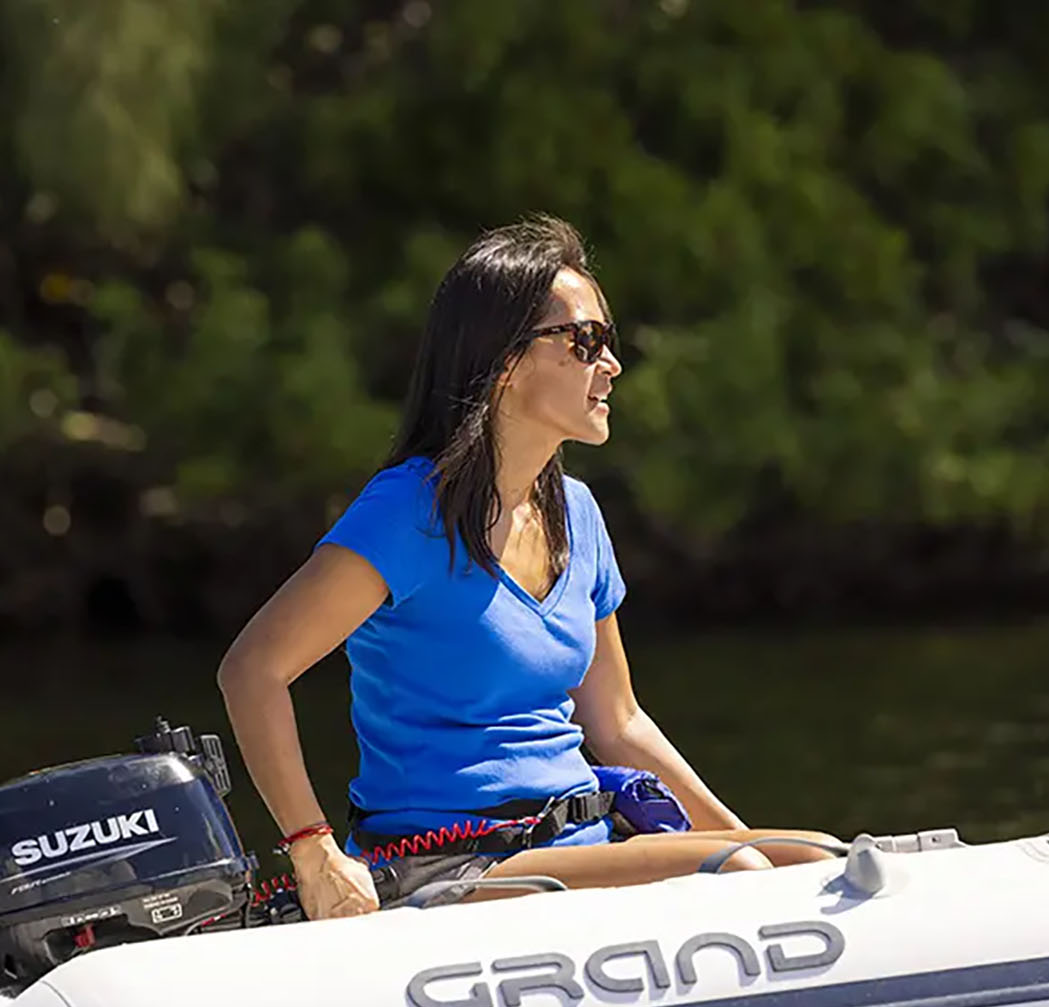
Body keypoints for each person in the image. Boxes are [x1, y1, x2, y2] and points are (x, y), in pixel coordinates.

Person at [218, 215, 831, 919]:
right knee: (735, 871)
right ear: (505, 363)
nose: (612, 364)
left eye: (610, 340)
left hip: (581, 838)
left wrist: (731, 829)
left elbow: (619, 722)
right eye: (586, 341)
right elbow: (254, 668)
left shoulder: (579, 514)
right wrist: (314, 850)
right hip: (448, 863)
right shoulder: (409, 513)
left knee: (814, 860)